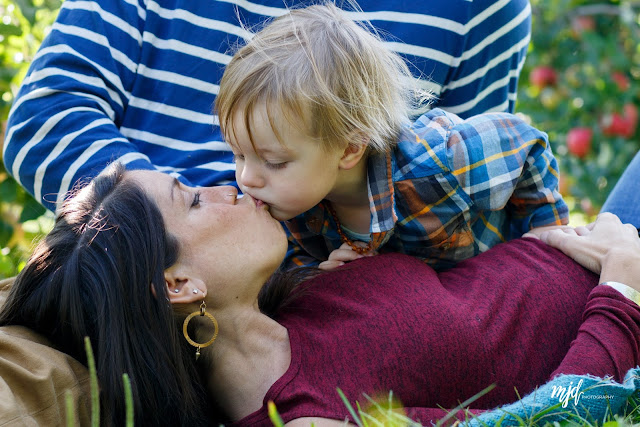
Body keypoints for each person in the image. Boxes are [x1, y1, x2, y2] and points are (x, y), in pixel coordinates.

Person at [0, 161, 638, 426]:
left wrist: (572, 242)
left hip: (597, 246)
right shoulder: (309, 415)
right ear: (177, 284)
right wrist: (623, 291)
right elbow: (549, 420)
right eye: (193, 200)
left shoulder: (296, 296)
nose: (226, 185)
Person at [2, 0, 531, 212]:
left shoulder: (481, 8)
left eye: (272, 162)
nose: (245, 180)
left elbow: (480, 191)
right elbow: (43, 118)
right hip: (133, 287)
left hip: (330, 309)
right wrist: (172, 232)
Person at [215, 3, 568, 270]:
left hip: (504, 278)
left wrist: (545, 234)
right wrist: (327, 280)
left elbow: (525, 143)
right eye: (238, 155)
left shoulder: (440, 161)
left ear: (350, 147)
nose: (246, 178)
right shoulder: (291, 208)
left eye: (274, 162)